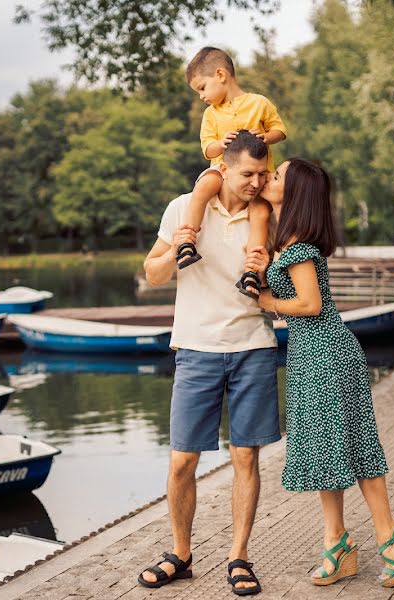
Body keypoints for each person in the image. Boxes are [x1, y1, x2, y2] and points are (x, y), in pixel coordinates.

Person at [253, 158, 394, 588]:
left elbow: (310, 305)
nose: (268, 179)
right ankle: (338, 544)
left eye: (276, 177)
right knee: (329, 453)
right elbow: (290, 291)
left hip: (327, 354)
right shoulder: (287, 243)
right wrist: (261, 273)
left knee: (356, 446)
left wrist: (266, 303)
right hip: (312, 357)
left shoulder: (301, 249)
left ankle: (393, 538)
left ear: (293, 194)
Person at [138, 131, 280, 596]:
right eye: (248, 174)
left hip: (253, 345)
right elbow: (153, 272)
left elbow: (282, 284)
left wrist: (269, 260)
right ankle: (181, 554)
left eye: (263, 174)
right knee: (182, 461)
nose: (257, 182)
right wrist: (179, 246)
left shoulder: (267, 214)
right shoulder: (185, 207)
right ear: (224, 168)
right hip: (196, 347)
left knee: (245, 456)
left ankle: (239, 556)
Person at [178, 47, 287, 300]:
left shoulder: (259, 103)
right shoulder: (211, 115)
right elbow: (207, 149)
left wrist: (266, 136)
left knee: (260, 213)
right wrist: (221, 143)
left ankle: (251, 271)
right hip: (223, 173)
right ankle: (187, 242)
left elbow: (280, 130)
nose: (202, 96)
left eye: (203, 87)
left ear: (220, 74)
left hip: (256, 176)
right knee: (204, 187)